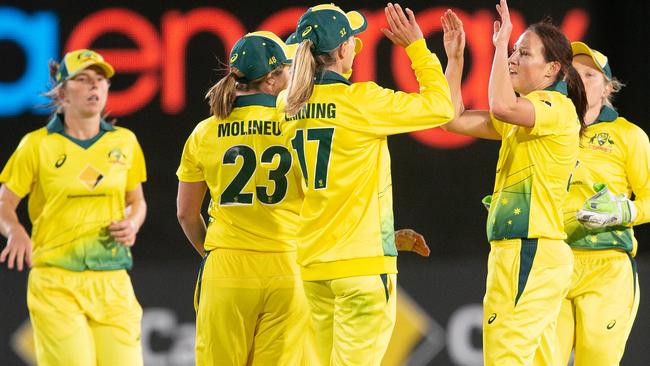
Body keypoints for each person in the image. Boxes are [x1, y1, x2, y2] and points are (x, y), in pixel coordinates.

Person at [282, 3, 454, 364]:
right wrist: (417, 48)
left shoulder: (290, 107)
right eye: (352, 41)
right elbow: (442, 107)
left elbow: (317, 194)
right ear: (344, 49)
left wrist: (383, 234)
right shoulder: (361, 102)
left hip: (314, 268)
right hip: (360, 269)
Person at [439, 1, 587, 364]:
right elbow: (451, 120)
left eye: (523, 53)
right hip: (524, 252)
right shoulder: (528, 115)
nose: (512, 59)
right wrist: (456, 60)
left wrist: (499, 43)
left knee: (505, 359)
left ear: (553, 68)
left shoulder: (555, 109)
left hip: (529, 250)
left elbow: (502, 106)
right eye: (513, 52)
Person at [0, 49, 147, 365]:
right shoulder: (37, 145)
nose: (94, 86)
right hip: (56, 281)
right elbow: (5, 202)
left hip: (112, 280)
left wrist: (133, 222)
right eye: (82, 79)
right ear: (62, 91)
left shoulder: (124, 142)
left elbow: (137, 201)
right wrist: (14, 231)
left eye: (100, 80)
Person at [175, 31, 314, 365]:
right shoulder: (299, 125)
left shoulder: (205, 132)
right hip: (288, 265)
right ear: (270, 80)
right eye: (287, 68)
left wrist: (216, 252)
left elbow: (186, 215)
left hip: (227, 269)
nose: (293, 74)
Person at [548, 41, 648, 366]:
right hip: (553, 262)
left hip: (606, 265)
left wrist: (625, 210)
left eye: (589, 75)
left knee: (598, 361)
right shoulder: (548, 129)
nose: (579, 81)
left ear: (608, 88)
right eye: (572, 74)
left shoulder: (628, 135)